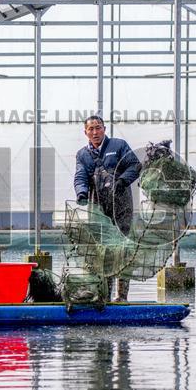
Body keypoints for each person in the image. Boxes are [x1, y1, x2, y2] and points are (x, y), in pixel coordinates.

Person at [73, 115, 141, 302]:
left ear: (104, 129)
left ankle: (122, 297)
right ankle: (103, 295)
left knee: (123, 249)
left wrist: (122, 181)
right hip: (98, 209)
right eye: (91, 129)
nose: (95, 132)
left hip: (121, 206)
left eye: (98, 128)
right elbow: (80, 176)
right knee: (102, 251)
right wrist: (81, 192)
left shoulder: (118, 145)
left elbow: (135, 165)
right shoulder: (82, 154)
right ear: (85, 132)